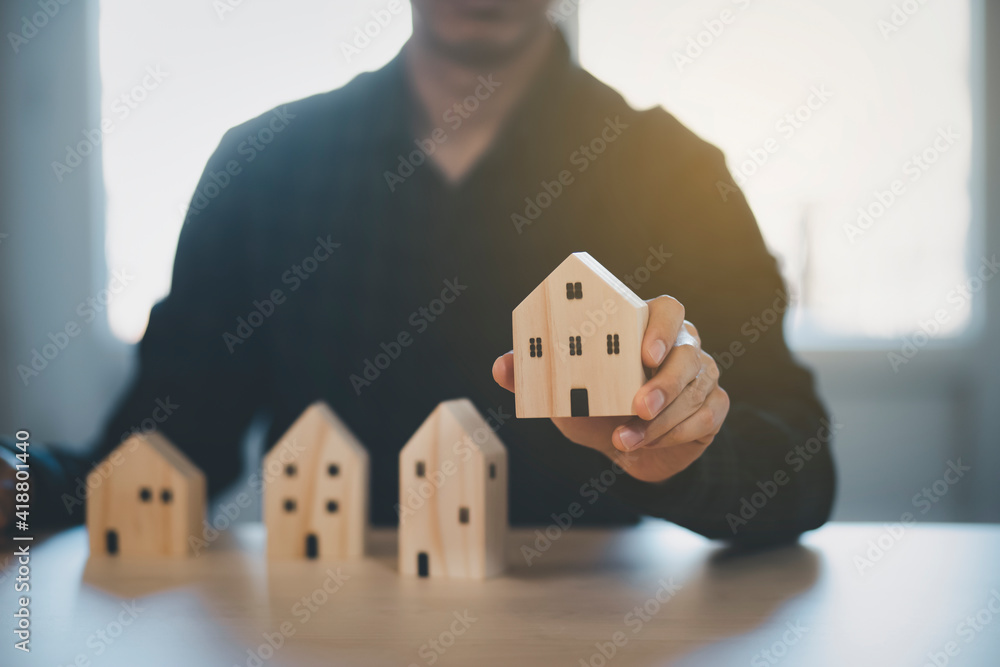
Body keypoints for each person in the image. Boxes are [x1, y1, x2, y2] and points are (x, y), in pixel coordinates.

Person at [0, 0, 835, 542]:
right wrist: (23, 486)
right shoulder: (261, 167)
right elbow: (163, 453)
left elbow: (803, 469)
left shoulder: (677, 174)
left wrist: (677, 451)